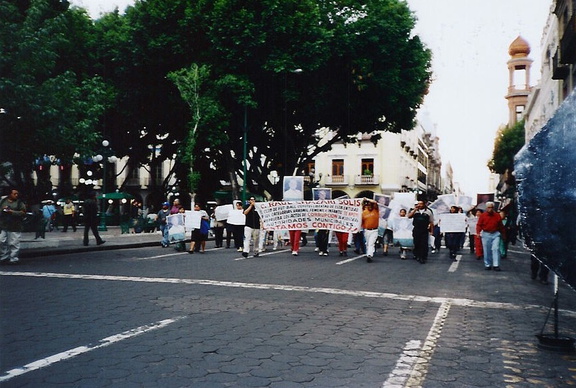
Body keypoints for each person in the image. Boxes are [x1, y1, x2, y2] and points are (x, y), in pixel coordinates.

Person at [476, 201, 505, 271]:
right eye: (489, 208)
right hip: (486, 234)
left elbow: (501, 226)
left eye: (491, 207)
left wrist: (503, 235)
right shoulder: (483, 216)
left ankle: (496, 265)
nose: (490, 209)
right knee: (486, 250)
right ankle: (487, 264)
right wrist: (478, 233)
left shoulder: (497, 215)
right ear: (486, 208)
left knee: (496, 248)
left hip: (495, 234)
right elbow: (479, 225)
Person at [0, 189, 27, 265]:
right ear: (9, 194)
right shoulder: (3, 201)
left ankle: (13, 258)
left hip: (15, 225)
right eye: (14, 194)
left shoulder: (19, 203)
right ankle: (3, 257)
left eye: (17, 194)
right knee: (1, 241)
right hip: (4, 225)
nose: (16, 195)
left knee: (14, 242)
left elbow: (23, 212)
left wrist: (12, 212)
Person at [362, 198, 379, 263]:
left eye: (371, 205)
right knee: (368, 243)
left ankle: (369, 255)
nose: (369, 206)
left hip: (374, 230)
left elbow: (375, 202)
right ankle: (369, 253)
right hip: (366, 230)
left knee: (371, 243)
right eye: (368, 205)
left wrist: (367, 199)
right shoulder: (364, 212)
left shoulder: (376, 210)